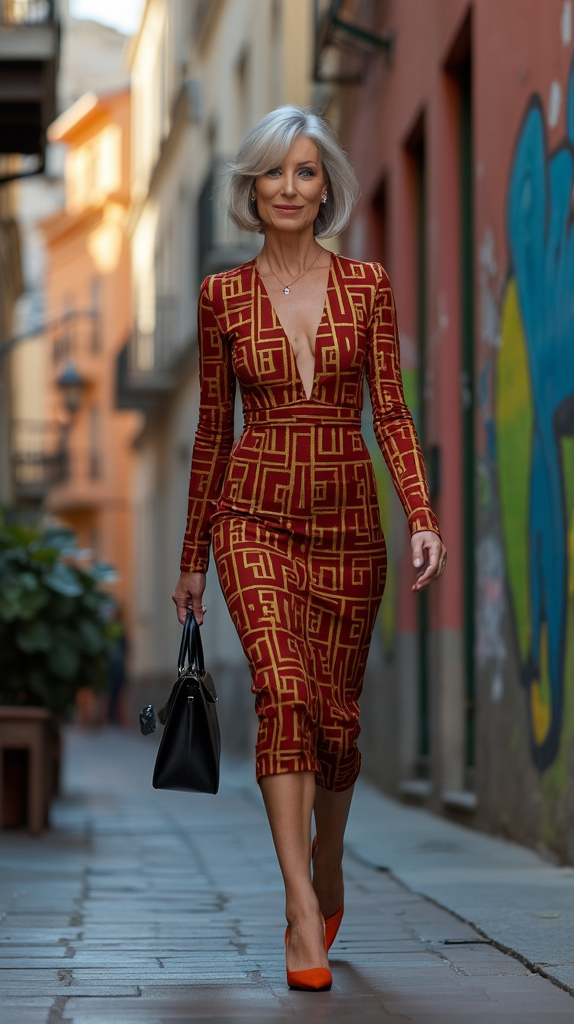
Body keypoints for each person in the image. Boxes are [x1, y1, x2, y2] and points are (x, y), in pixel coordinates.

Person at [172, 105, 446, 991]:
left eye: (305, 172)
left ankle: (329, 865)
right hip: (249, 519)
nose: (288, 188)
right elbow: (213, 432)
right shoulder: (221, 298)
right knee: (283, 694)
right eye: (272, 174)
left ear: (326, 187)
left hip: (347, 528)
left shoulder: (367, 285)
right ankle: (300, 909)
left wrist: (423, 514)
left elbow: (392, 413)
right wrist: (190, 559)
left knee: (336, 724)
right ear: (251, 190)